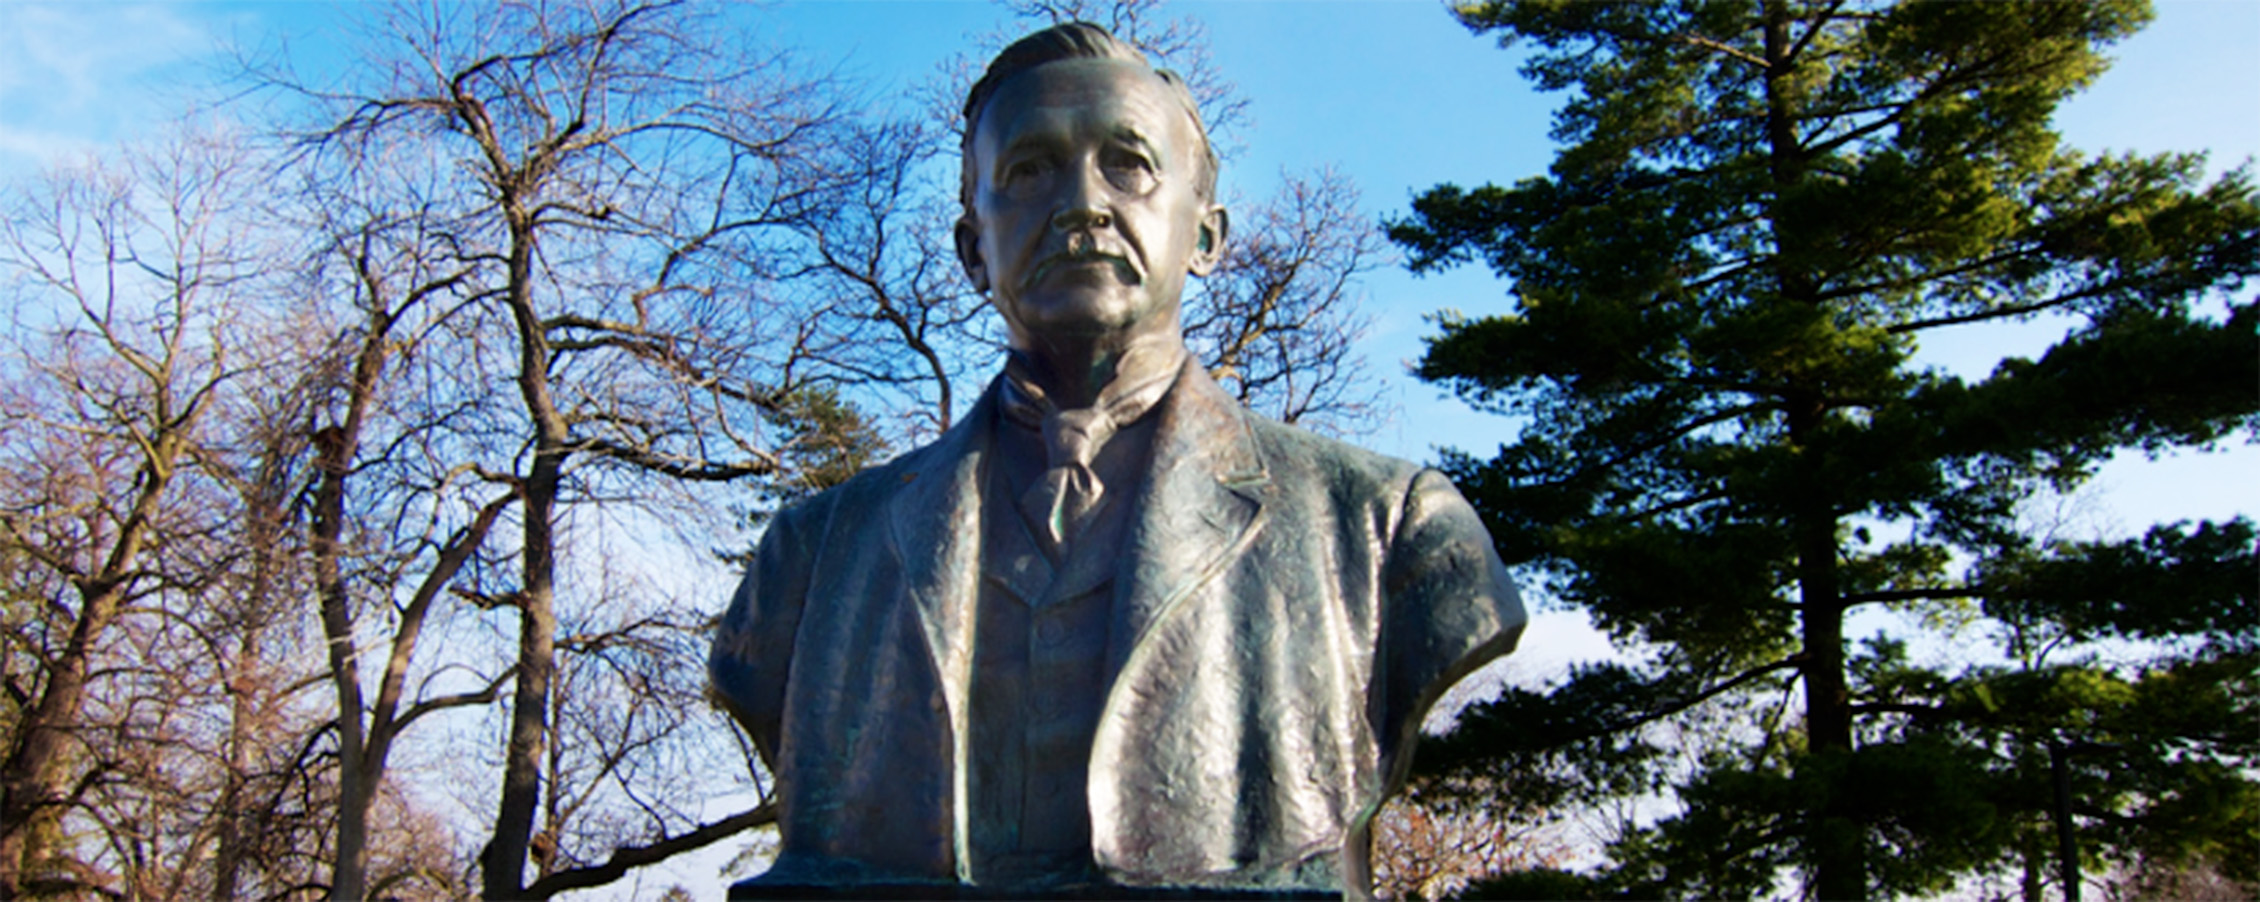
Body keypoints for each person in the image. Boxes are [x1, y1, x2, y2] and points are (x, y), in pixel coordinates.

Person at [710, 22, 1525, 900]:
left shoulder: (1385, 527)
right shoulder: (813, 555)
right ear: (972, 249)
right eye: (1030, 170)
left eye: (1128, 164)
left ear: (1207, 237)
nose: (1082, 204)